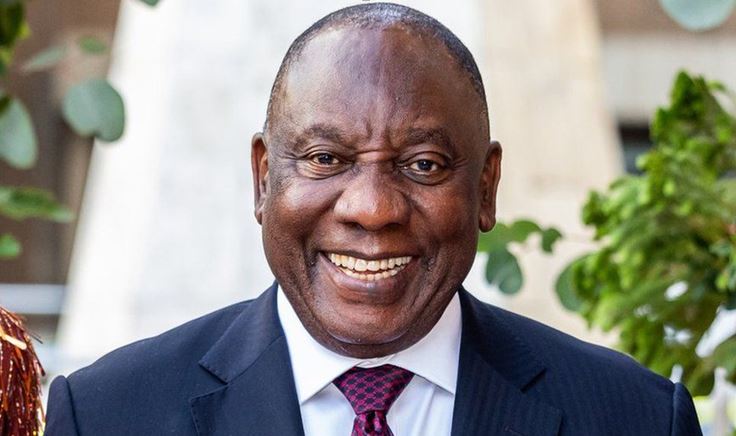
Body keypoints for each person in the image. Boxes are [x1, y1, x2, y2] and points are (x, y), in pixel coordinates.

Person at [45, 3, 702, 435]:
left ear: (486, 188)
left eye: (423, 165)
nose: (373, 209)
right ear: (263, 178)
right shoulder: (106, 415)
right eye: (325, 158)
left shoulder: (637, 420)